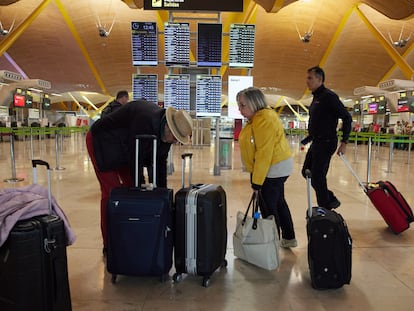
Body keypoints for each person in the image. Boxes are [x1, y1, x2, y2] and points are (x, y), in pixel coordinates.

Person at [86, 100, 193, 253]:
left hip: (123, 147)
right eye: (175, 138)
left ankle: (129, 233)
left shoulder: (167, 133)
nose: (175, 142)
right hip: (102, 141)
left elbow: (159, 163)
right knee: (111, 193)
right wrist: (141, 188)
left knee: (132, 189)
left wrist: (163, 196)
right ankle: (109, 243)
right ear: (168, 127)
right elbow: (134, 157)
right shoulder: (145, 120)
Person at [237, 87, 297, 248]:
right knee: (278, 203)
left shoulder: (264, 119)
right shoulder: (258, 118)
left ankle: (272, 244)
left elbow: (264, 152)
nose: (240, 109)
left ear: (254, 102)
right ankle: (289, 238)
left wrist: (257, 181)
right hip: (275, 167)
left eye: (243, 105)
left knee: (268, 207)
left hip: (272, 169)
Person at [301, 66, 352, 210]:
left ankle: (326, 207)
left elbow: (347, 117)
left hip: (327, 142)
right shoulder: (316, 98)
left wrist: (344, 142)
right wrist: (306, 140)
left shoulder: (329, 97)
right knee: (306, 172)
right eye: (307, 77)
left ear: (319, 79)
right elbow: (318, 123)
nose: (307, 81)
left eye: (310, 78)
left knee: (317, 177)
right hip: (317, 142)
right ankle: (329, 199)